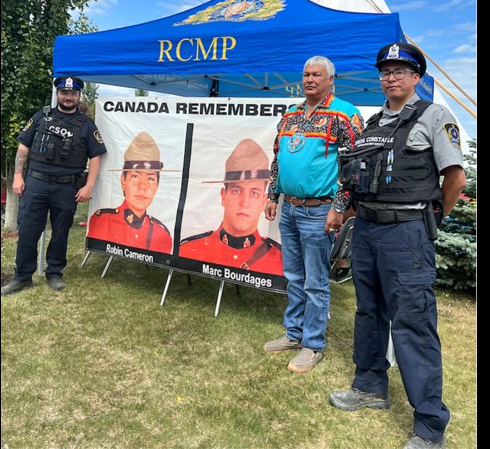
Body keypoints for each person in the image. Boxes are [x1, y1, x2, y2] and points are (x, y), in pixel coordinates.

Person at [328, 42, 466, 449]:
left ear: (416, 77)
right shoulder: (372, 124)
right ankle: (370, 386)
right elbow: (354, 181)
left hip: (407, 233)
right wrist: (344, 211)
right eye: (386, 71)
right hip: (368, 231)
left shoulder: (433, 116)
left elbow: (454, 178)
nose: (391, 77)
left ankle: (429, 425)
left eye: (401, 71)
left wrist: (432, 219)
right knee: (369, 312)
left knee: (413, 323)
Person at [263, 56, 364, 374]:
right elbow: (278, 157)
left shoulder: (345, 114)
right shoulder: (290, 114)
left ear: (331, 79)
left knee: (316, 281)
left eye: (317, 75)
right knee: (293, 276)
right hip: (290, 207)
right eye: (306, 74)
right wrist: (272, 195)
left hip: (319, 211)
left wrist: (338, 208)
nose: (310, 79)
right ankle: (293, 334)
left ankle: (314, 344)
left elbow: (354, 168)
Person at [2, 75, 106, 295]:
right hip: (36, 184)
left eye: (73, 94)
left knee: (60, 232)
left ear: (79, 96)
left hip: (67, 188)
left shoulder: (87, 125)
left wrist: (88, 186)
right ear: (58, 94)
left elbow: (96, 156)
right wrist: (18, 176)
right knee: (29, 230)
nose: (69, 97)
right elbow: (23, 147)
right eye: (64, 93)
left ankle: (54, 273)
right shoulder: (41, 117)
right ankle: (22, 277)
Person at [178, 139, 282, 275]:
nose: (244, 203)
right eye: (237, 191)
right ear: (223, 196)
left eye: (254, 193)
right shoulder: (189, 250)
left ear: (263, 200)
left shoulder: (277, 259)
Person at [87, 132, 176, 254]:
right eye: (135, 176)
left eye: (150, 178)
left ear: (157, 186)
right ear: (123, 180)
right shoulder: (103, 220)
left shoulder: (161, 234)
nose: (142, 186)